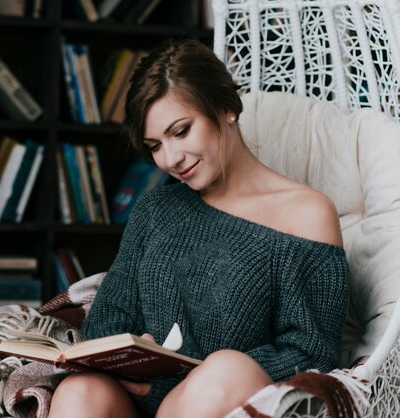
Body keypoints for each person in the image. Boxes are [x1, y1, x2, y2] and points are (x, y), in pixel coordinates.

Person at [47, 38, 350, 418]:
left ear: (225, 108)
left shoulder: (307, 213)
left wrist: (201, 374)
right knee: (81, 391)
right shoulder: (158, 208)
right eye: (155, 145)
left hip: (225, 400)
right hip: (139, 397)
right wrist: (132, 359)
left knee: (226, 368)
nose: (171, 159)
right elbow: (110, 316)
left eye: (181, 131)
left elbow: (311, 352)